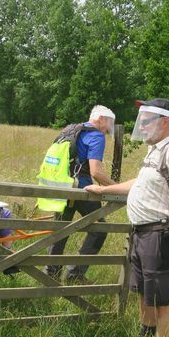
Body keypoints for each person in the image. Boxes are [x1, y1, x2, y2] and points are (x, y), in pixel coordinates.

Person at [85, 98, 169, 337]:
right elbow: (139, 184)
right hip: (143, 233)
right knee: (146, 294)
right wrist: (105, 190)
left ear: (165, 121)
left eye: (146, 121)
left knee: (164, 300)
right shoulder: (155, 150)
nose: (142, 127)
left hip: (160, 233)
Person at [44, 105, 117, 283]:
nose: (108, 129)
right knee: (100, 230)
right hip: (81, 189)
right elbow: (96, 172)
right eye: (109, 123)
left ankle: (50, 277)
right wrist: (118, 186)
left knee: (60, 231)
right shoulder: (96, 135)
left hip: (61, 186)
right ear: (100, 118)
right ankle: (74, 274)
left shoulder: (71, 129)